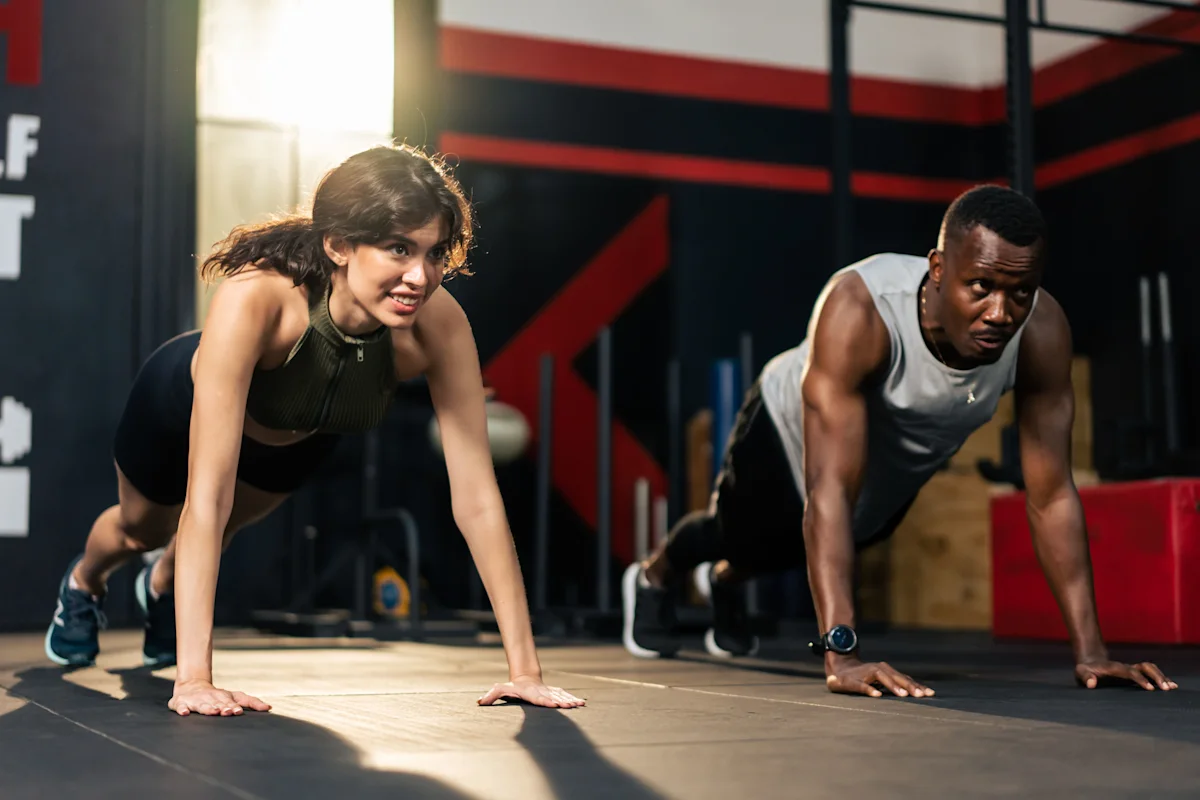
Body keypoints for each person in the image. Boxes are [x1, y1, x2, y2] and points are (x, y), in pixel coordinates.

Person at [45, 143, 585, 716]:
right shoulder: (258, 300)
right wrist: (194, 680)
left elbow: (477, 498)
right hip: (178, 407)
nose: (419, 276)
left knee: (208, 542)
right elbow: (208, 495)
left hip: (300, 432)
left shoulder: (438, 323)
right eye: (398, 249)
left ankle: (162, 588)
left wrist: (525, 672)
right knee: (140, 530)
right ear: (339, 244)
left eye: (433, 254)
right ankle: (86, 584)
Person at [622, 184, 1178, 699]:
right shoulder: (862, 308)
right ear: (938, 269)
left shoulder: (1041, 331)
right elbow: (829, 492)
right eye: (980, 287)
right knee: (739, 533)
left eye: (1020, 292)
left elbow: (1052, 493)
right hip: (789, 428)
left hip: (889, 473)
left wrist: (1092, 652)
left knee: (793, 550)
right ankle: (655, 574)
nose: (1000, 313)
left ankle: (724, 582)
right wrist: (842, 654)